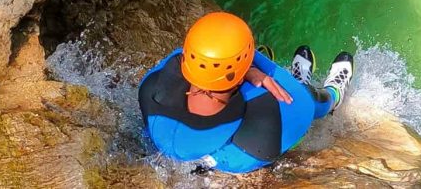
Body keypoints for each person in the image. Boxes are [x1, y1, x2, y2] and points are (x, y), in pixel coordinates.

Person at [138, 12, 355, 174]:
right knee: (307, 97)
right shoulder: (264, 120)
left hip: (167, 134)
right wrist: (254, 69)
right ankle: (333, 93)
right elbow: (301, 107)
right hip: (239, 156)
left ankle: (240, 69)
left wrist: (242, 70)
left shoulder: (153, 84)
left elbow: (182, 54)